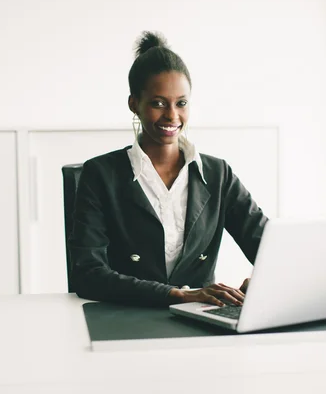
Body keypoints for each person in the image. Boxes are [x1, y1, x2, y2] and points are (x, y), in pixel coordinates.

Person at [69, 31, 268, 307]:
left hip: (203, 320)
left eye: (181, 103)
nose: (172, 115)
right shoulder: (100, 175)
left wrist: (263, 280)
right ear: (134, 104)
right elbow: (88, 275)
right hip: (125, 320)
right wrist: (177, 295)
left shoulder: (217, 174)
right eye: (158, 103)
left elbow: (269, 246)